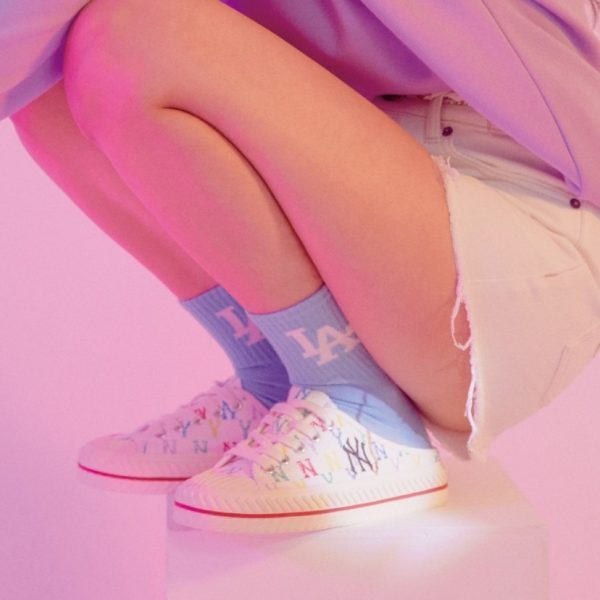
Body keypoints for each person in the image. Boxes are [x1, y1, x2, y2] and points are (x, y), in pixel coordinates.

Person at [4, 0, 600, 534]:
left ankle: (360, 400)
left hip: (513, 236)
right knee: (55, 78)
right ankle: (279, 371)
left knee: (135, 35)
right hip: (396, 179)